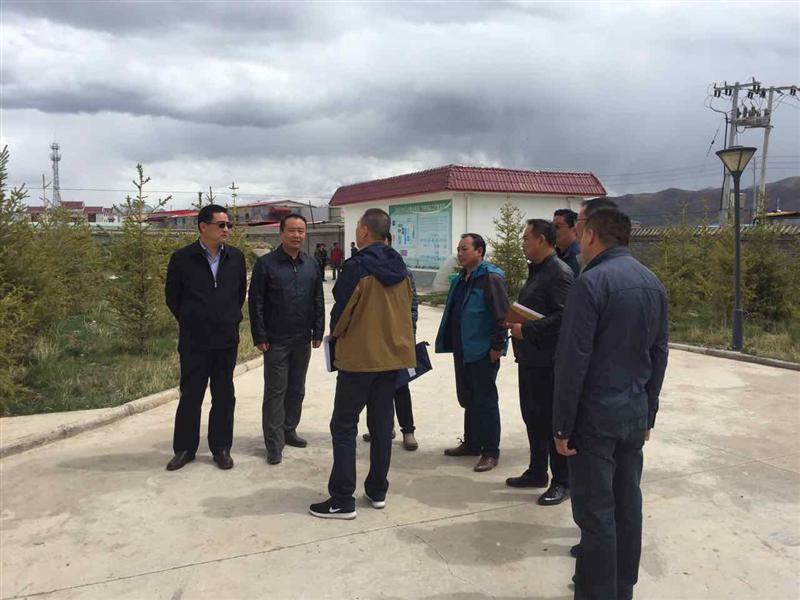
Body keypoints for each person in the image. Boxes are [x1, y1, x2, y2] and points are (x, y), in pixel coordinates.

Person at [553, 207, 668, 600]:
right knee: (627, 504)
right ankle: (622, 588)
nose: (578, 239)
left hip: (595, 418)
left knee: (596, 512)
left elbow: (573, 360)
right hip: (633, 413)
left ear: (590, 235)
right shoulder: (652, 282)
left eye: (580, 230)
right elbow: (659, 354)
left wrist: (562, 424)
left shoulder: (591, 282)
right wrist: (648, 411)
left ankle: (597, 592)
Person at [309, 208, 415, 519]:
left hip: (358, 360)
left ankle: (342, 499)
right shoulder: (401, 268)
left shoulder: (357, 267)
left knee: (343, 426)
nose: (356, 230)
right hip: (391, 359)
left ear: (365, 231)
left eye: (357, 226)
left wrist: (333, 335)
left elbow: (342, 313)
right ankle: (377, 490)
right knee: (381, 426)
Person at [164, 204, 247, 471]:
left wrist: (227, 319)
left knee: (224, 395)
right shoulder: (182, 258)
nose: (226, 229)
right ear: (203, 227)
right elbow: (172, 298)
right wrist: (193, 320)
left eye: (228, 225)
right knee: (191, 395)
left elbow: (239, 294)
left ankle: (221, 448)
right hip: (194, 342)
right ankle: (184, 449)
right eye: (221, 225)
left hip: (226, 341)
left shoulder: (235, 258)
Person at [506, 219, 574, 505]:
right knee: (532, 417)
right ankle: (537, 472)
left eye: (526, 238)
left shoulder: (559, 273)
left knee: (549, 421)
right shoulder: (537, 270)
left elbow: (564, 317)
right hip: (530, 359)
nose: (522, 243)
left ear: (542, 241)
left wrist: (527, 330)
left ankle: (562, 481)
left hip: (549, 362)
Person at [248, 213, 324, 465]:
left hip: (302, 339)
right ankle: (274, 442)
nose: (297, 235)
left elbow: (318, 299)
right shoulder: (266, 265)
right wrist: (260, 335)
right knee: (275, 391)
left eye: (301, 231)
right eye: (291, 230)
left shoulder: (311, 264)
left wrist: (318, 331)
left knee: (297, 389)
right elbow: (256, 303)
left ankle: (289, 429)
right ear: (281, 233)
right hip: (275, 340)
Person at [435, 233, 509, 473]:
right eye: (459, 249)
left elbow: (501, 315)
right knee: (469, 398)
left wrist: (497, 347)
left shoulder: (490, 278)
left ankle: (491, 452)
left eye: (465, 249)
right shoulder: (462, 278)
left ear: (479, 251)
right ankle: (472, 443)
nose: (460, 253)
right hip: (463, 349)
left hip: (483, 351)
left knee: (486, 401)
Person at [362, 232, 419, 451]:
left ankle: (408, 431)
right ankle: (382, 428)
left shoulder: (402, 270)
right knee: (373, 387)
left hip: (398, 339)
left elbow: (412, 306)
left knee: (400, 385)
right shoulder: (364, 268)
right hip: (373, 339)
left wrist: (409, 336)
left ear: (388, 243)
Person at [553, 209, 581, 278]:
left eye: (557, 227)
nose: (552, 230)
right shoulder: (554, 254)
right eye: (552, 226)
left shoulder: (578, 256)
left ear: (574, 230)